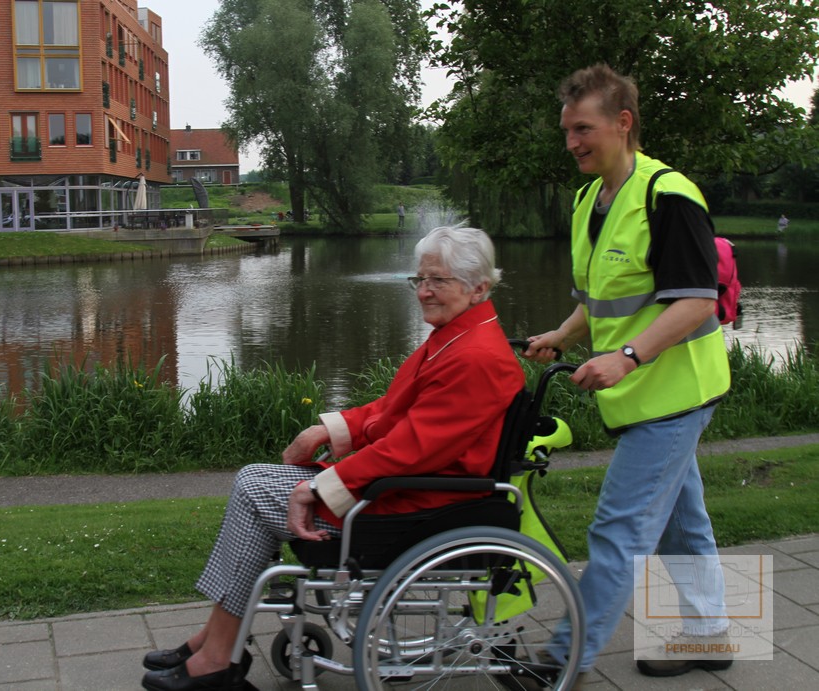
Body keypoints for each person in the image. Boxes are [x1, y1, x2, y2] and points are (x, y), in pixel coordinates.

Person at [141, 226, 526, 691]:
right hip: (409, 490)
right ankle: (216, 643)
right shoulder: (459, 338)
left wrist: (318, 486)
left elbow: (411, 449)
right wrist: (328, 429)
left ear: (478, 288)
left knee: (254, 489)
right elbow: (393, 412)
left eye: (437, 281)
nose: (423, 291)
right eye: (420, 279)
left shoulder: (475, 356)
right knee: (254, 483)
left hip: (415, 504)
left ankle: (216, 654)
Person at [524, 64, 732, 685]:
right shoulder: (588, 200)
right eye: (567, 131)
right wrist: (563, 334)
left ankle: (567, 659)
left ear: (622, 122)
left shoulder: (668, 195)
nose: (572, 143)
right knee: (682, 523)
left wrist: (627, 357)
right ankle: (710, 636)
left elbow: (696, 301)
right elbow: (600, 300)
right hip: (641, 395)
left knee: (619, 527)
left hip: (676, 393)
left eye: (583, 129)